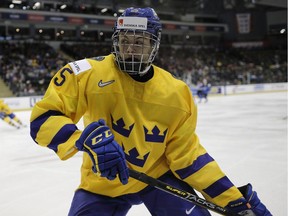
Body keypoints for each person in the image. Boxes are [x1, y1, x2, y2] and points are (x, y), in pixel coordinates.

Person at [30, 7, 271, 216]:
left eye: (139, 42)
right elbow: (42, 119)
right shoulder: (84, 73)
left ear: (154, 44)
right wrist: (83, 140)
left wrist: (232, 199)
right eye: (125, 41)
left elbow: (188, 156)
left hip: (158, 178)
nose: (130, 49)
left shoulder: (177, 93)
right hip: (103, 181)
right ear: (116, 41)